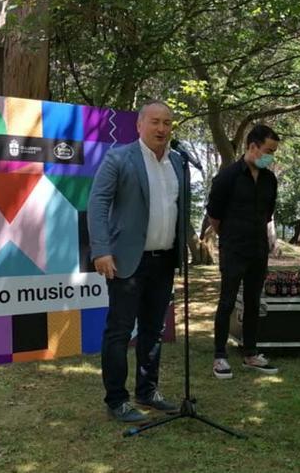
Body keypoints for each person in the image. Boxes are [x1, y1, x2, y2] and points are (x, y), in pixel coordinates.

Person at [87, 100, 185, 422]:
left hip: (164, 260)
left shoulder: (178, 163)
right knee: (119, 332)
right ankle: (117, 399)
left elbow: (176, 209)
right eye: (155, 122)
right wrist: (101, 250)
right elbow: (98, 203)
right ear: (139, 125)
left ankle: (148, 390)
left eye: (167, 123)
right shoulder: (119, 158)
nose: (161, 129)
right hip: (128, 262)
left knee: (154, 330)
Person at [206, 124, 280, 379]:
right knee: (227, 301)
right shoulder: (227, 177)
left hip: (259, 250)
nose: (271, 156)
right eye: (268, 151)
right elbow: (214, 216)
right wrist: (229, 238)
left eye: (273, 152)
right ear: (252, 147)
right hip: (233, 249)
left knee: (253, 301)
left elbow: (267, 214)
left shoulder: (270, 180)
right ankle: (219, 356)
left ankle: (251, 353)